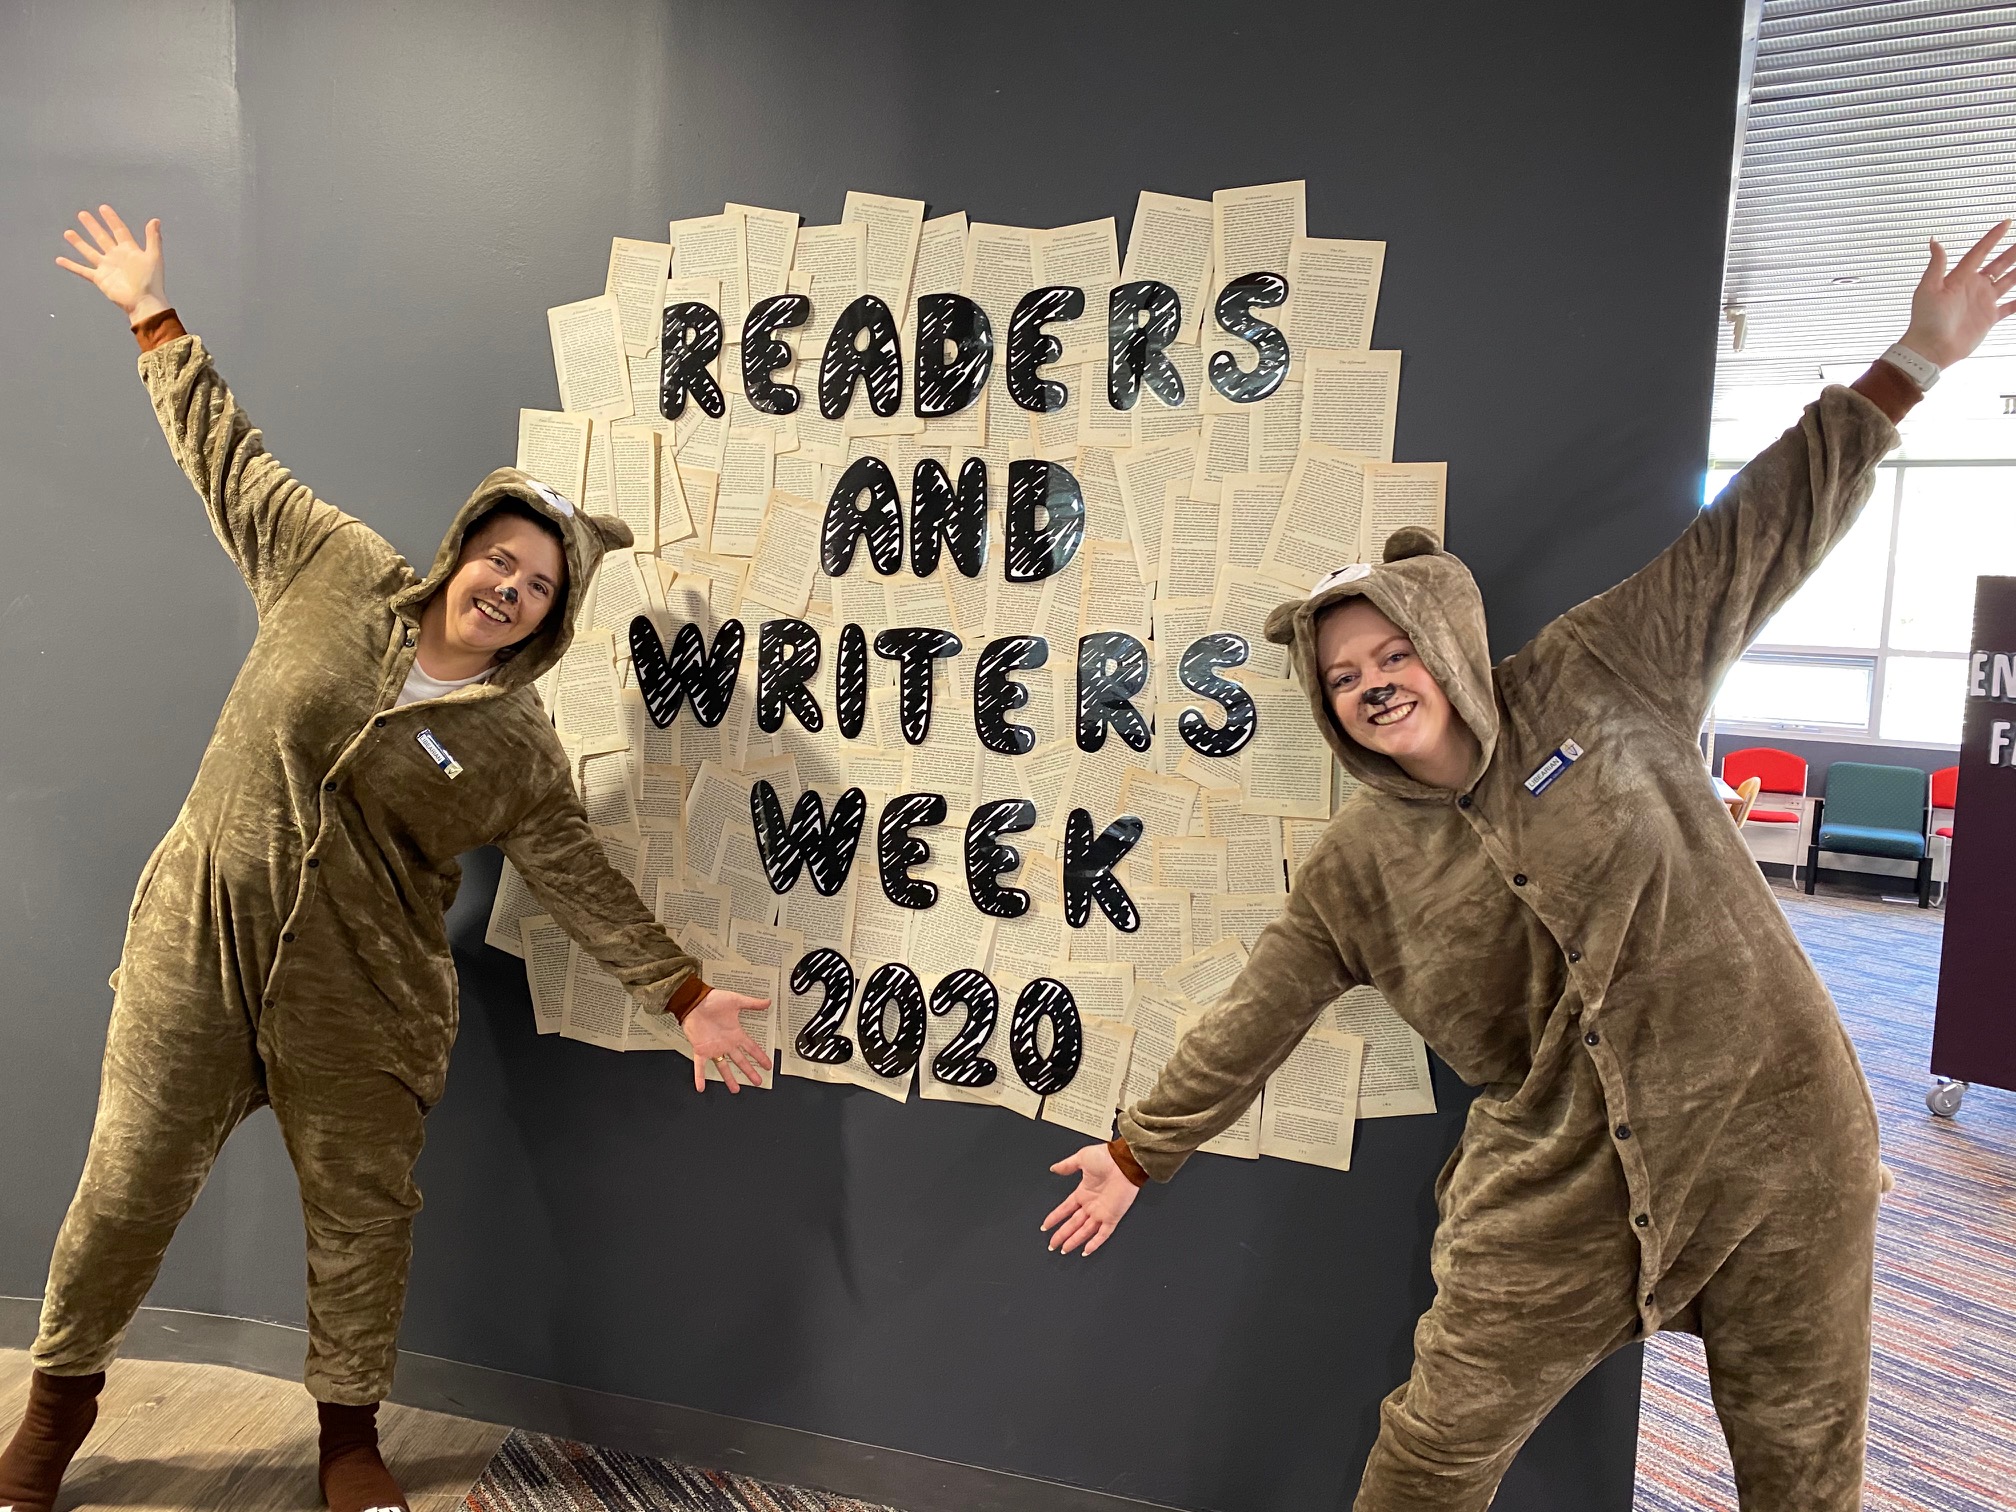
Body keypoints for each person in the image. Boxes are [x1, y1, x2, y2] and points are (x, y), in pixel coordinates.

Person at [1040, 221, 2016, 1511]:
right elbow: (1254, 1016)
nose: (1374, 686)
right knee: (1434, 1451)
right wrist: (1139, 1148)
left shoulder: (1601, 672)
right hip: (1558, 1184)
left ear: (1442, 639)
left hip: (1780, 1136)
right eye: (1343, 680)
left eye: (1390, 655)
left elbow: (1755, 535)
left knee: (1803, 1464)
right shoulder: (1356, 867)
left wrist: (1911, 366)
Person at [0, 206, 773, 1512]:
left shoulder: (518, 745)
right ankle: (54, 1419)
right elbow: (229, 461)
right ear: (467, 543)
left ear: (546, 624)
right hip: (198, 953)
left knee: (362, 1229)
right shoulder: (333, 569)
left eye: (537, 589)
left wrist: (688, 993)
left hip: (365, 1003)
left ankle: (348, 1447)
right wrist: (152, 316)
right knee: (120, 1198)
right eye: (502, 559)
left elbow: (577, 877)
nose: (508, 589)